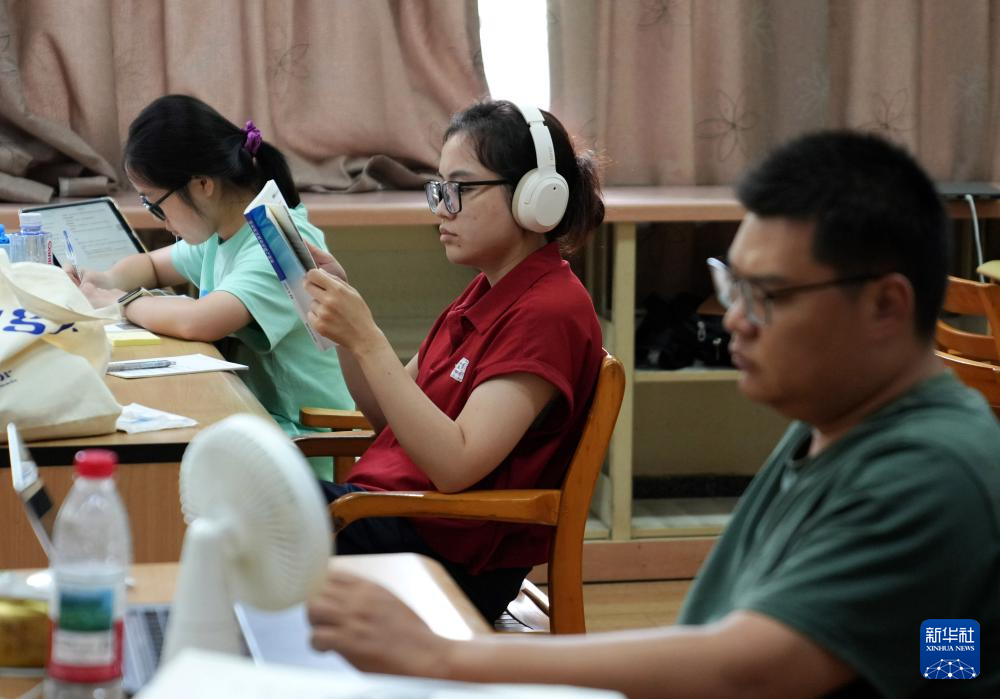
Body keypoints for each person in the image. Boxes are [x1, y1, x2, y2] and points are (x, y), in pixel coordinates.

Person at [307, 130, 1000, 698]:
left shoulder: (934, 472)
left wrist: (446, 656)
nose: (733, 321)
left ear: (885, 306)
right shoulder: (831, 427)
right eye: (732, 286)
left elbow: (750, 668)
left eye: (767, 295)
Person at [301, 99, 606, 622]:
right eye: (439, 189)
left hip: (446, 556)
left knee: (250, 495)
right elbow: (389, 418)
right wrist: (349, 330)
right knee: (251, 476)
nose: (441, 209)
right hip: (390, 516)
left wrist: (369, 339)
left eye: (460, 189)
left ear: (535, 196)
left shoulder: (549, 312)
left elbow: (456, 464)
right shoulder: (486, 291)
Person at [68, 95, 353, 474]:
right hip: (259, 428)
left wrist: (121, 299)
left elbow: (200, 321)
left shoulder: (276, 240)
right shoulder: (226, 230)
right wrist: (100, 279)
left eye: (156, 203)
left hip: (305, 450)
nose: (159, 219)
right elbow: (152, 265)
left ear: (203, 184)